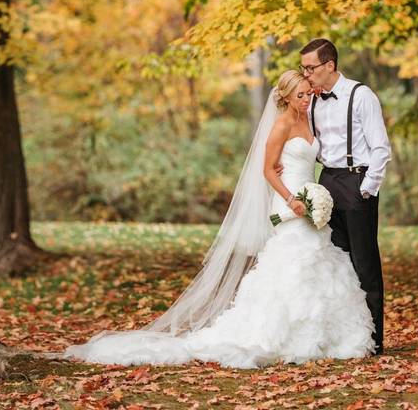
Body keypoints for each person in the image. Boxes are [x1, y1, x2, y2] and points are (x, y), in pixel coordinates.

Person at [62, 70, 376, 368]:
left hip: (309, 195)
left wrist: (317, 194)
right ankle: (283, 335)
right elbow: (267, 169)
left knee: (321, 257)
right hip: (290, 200)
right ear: (286, 97)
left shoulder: (309, 120)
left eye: (308, 94)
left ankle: (328, 334)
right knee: (295, 258)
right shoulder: (280, 126)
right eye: (300, 95)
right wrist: (292, 199)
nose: (307, 99)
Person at [299, 38, 391, 355]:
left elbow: (381, 148)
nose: (306, 74)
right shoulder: (310, 101)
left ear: (330, 65)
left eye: (310, 68)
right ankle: (343, 338)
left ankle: (373, 340)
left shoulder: (361, 96)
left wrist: (366, 188)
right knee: (334, 263)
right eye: (303, 68)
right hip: (326, 182)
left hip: (356, 181)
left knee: (364, 263)